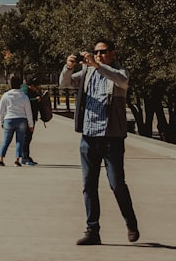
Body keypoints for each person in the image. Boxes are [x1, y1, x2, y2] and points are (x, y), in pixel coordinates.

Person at [61, 39, 140, 246]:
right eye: (95, 52)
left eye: (103, 52)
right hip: (88, 137)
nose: (98, 55)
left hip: (111, 138)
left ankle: (130, 222)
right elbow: (65, 83)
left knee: (116, 184)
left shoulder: (118, 72)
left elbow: (122, 82)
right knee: (89, 185)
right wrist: (68, 67)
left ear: (112, 53)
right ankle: (92, 229)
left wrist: (99, 66)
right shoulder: (87, 74)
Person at [0, 74, 34, 167]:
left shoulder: (5, 95)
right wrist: (31, 124)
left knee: (6, 140)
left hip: (8, 119)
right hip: (21, 120)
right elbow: (28, 111)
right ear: (21, 84)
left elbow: (1, 110)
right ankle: (17, 160)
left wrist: (1, 122)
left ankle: (0, 159)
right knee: (19, 141)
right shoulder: (24, 96)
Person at [20, 78, 44, 166]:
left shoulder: (30, 90)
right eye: (37, 87)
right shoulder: (25, 91)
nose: (38, 89)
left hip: (31, 117)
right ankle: (25, 158)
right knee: (26, 138)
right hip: (26, 118)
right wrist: (36, 100)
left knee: (28, 138)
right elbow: (25, 102)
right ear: (32, 85)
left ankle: (26, 156)